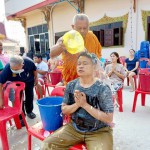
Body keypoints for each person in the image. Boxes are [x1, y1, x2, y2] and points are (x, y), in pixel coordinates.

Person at [42, 52, 114, 150]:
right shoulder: (71, 85)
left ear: (94, 67)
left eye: (85, 63)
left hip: (99, 131)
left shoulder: (102, 88)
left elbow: (108, 118)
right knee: (48, 144)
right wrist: (77, 104)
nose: (80, 66)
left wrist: (85, 105)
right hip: (74, 127)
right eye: (79, 63)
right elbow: (64, 109)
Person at [50, 13, 102, 84]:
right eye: (79, 28)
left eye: (85, 28)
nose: (82, 31)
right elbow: (52, 54)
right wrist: (59, 46)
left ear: (88, 27)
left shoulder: (92, 37)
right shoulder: (67, 38)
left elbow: (97, 59)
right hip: (72, 81)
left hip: (90, 81)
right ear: (73, 27)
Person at [0, 55, 37, 120]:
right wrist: (1, 99)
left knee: (30, 95)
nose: (14, 70)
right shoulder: (7, 69)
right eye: (12, 68)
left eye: (16, 69)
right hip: (17, 82)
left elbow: (34, 69)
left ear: (22, 65)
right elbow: (0, 83)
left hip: (29, 80)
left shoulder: (29, 62)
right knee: (19, 98)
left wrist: (36, 78)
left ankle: (29, 111)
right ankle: (21, 116)